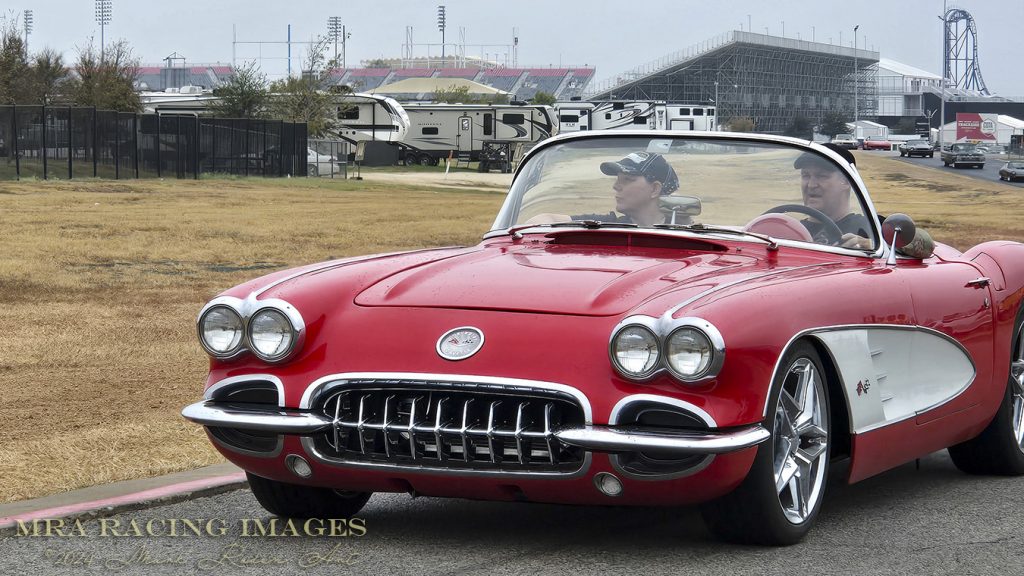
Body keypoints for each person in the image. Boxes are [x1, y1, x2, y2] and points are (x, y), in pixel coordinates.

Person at [527, 151, 680, 226]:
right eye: (617, 179)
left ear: (654, 189)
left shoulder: (688, 232)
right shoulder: (608, 226)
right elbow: (546, 219)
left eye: (627, 179)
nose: (616, 186)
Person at [792, 144, 872, 249]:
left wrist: (873, 247)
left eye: (822, 176)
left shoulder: (870, 229)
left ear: (847, 181)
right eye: (805, 175)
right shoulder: (790, 231)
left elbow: (898, 252)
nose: (811, 185)